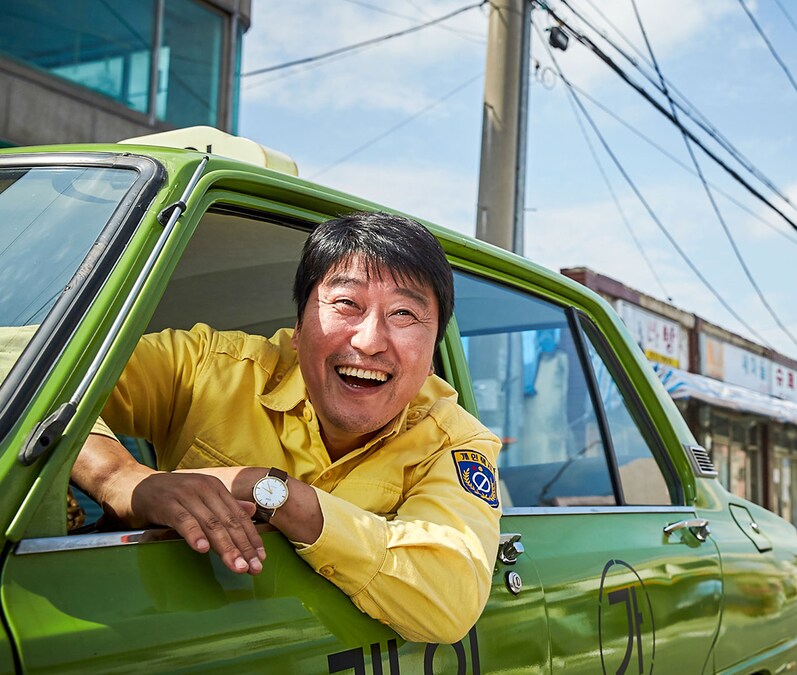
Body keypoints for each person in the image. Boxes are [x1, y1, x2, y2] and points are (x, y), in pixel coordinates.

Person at [71, 212, 501, 644]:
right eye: (347, 304)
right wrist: (120, 479)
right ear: (297, 328)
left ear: (431, 358)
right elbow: (18, 366)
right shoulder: (208, 368)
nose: (369, 341)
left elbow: (449, 601)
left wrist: (271, 491)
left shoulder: (457, 440)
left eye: (404, 313)